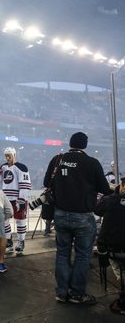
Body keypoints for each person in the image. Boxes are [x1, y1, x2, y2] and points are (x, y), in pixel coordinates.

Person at [44, 132, 112, 305]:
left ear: (71, 143)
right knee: (82, 255)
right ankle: (76, 294)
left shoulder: (57, 159)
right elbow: (105, 189)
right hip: (83, 217)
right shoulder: (92, 163)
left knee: (62, 254)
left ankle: (61, 293)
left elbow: (47, 182)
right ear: (85, 145)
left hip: (60, 215)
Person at [95, 176, 125, 315]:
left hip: (113, 250)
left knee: (119, 268)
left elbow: (97, 210)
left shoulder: (110, 200)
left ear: (122, 186)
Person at [0, 147, 31, 255]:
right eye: (6, 156)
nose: (7, 157)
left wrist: (22, 199)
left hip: (17, 198)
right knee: (4, 220)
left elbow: (24, 185)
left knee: (20, 220)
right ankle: (8, 241)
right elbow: (1, 183)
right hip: (6, 198)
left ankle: (21, 241)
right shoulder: (3, 167)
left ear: (14, 155)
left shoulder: (21, 167)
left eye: (9, 155)